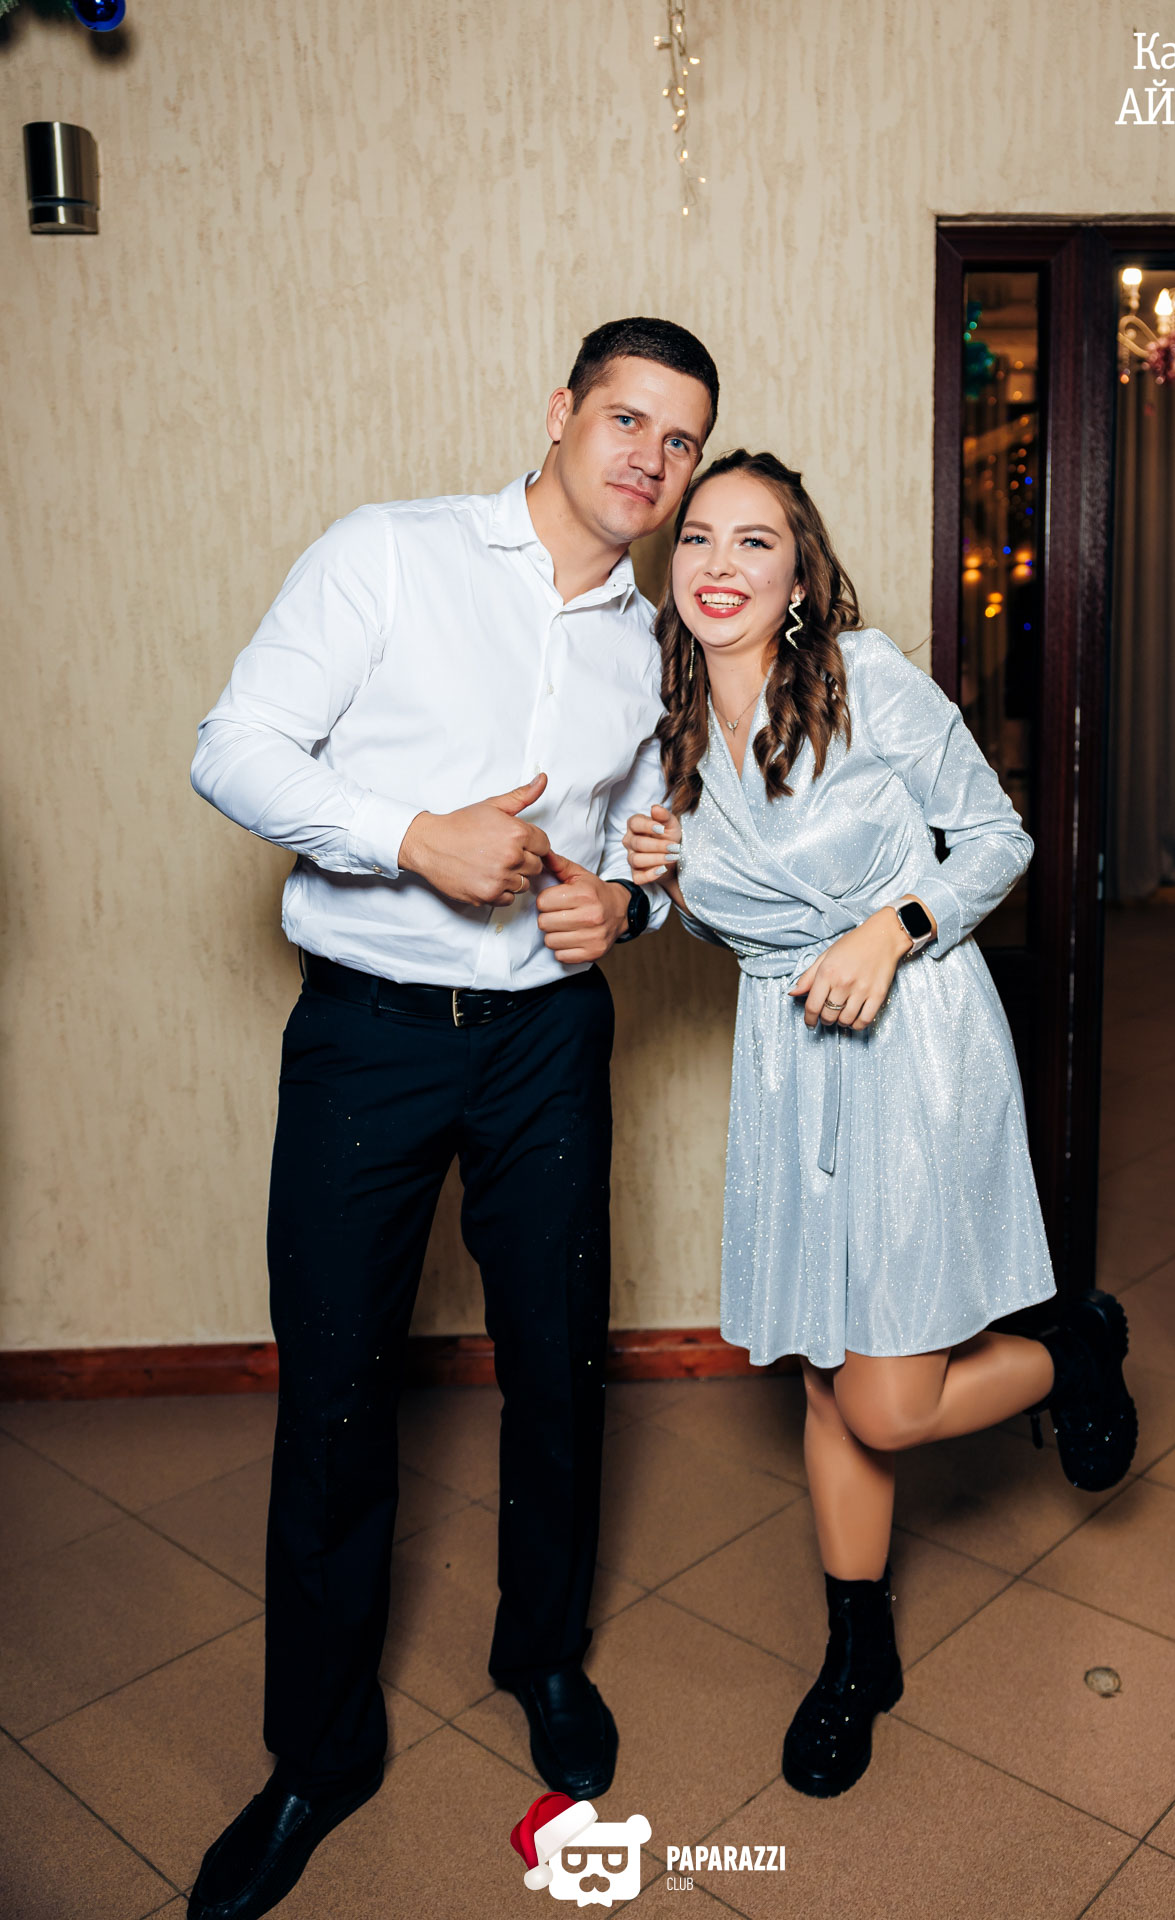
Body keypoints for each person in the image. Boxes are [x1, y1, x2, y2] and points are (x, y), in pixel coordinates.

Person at [186, 317, 718, 1920]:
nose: (651, 459)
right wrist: (409, 834)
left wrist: (629, 911)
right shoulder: (388, 555)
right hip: (370, 1036)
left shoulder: (659, 644)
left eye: (682, 440)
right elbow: (233, 751)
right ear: (560, 412)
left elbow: (659, 847)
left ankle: (540, 1655)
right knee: (338, 1389)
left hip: (548, 1043)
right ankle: (318, 1751)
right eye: (626, 419)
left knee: (558, 1365)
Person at [624, 449, 1137, 1800]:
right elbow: (729, 923)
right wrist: (666, 883)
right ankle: (860, 1654)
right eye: (698, 538)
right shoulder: (671, 720)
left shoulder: (864, 679)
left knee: (889, 1402)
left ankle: (1071, 1346)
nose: (720, 564)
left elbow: (1000, 839)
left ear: (800, 577)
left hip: (912, 1042)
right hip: (786, 1068)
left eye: (756, 542)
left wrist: (892, 926)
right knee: (826, 1377)